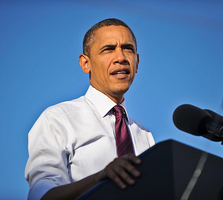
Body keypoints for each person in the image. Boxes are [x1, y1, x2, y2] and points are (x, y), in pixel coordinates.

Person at [25, 18, 155, 200]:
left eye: (128, 49)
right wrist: (100, 178)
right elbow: (43, 196)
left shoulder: (145, 136)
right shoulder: (58, 119)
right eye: (108, 49)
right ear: (85, 63)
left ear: (137, 62)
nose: (121, 58)